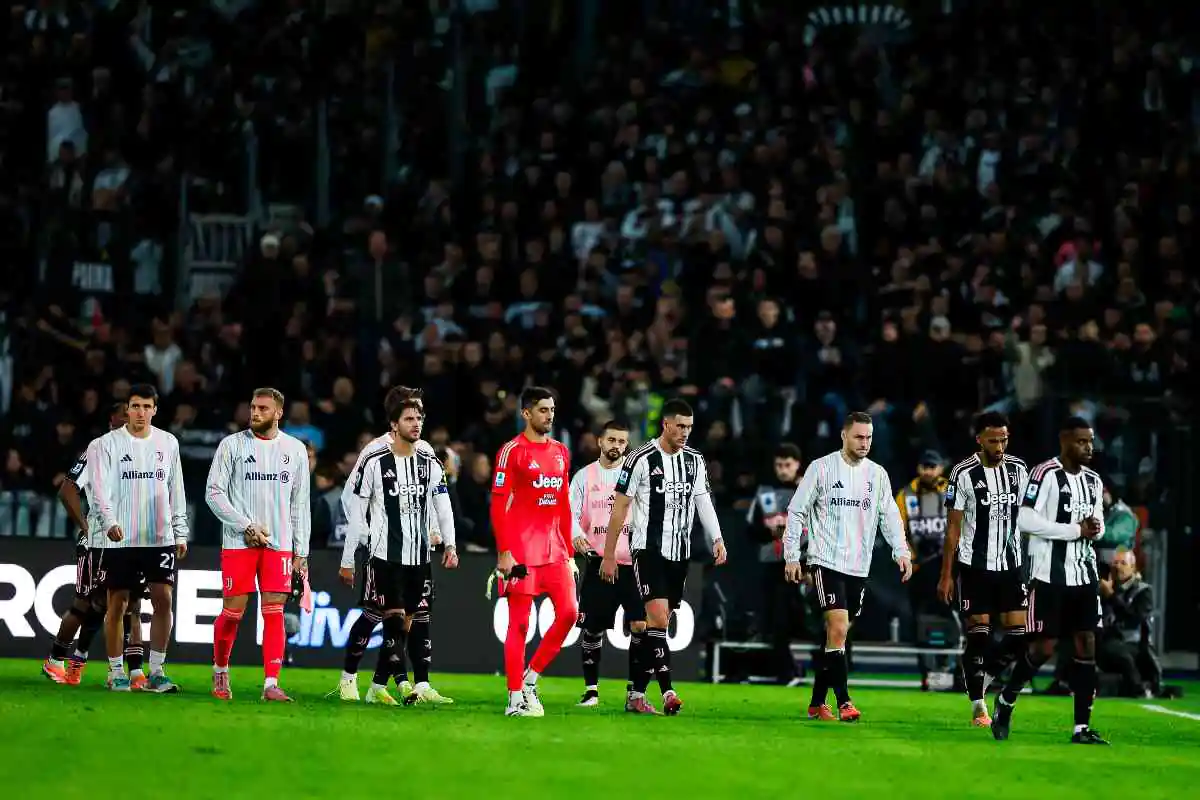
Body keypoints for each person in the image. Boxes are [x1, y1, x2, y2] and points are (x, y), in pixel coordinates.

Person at [601, 398, 728, 716]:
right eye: (680, 426)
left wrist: (717, 538)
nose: (685, 432)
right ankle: (669, 691)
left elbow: (703, 502)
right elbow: (620, 507)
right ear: (666, 424)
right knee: (656, 619)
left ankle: (636, 696)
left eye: (690, 427)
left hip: (680, 553)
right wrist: (608, 554)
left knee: (658, 624)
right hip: (648, 550)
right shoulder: (640, 458)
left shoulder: (695, 461)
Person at [782, 411, 912, 722]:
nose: (864, 442)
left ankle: (816, 703)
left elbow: (890, 516)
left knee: (836, 636)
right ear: (844, 435)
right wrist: (791, 555)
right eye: (859, 436)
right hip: (825, 561)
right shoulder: (821, 468)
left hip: (859, 566)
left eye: (868, 437)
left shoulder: (877, 475)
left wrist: (901, 551)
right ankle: (844, 702)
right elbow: (796, 511)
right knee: (838, 628)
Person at [990, 416, 1108, 745]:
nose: (1089, 447)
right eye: (1082, 441)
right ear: (1065, 441)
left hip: (1084, 574)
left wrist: (1097, 527)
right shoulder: (1045, 474)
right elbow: (1025, 518)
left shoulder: (1094, 481)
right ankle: (1007, 699)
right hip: (1048, 574)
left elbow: (1098, 522)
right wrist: (1074, 530)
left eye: (1091, 441)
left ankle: (1081, 728)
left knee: (1087, 646)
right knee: (1043, 648)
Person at [332, 386, 450, 704]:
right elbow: (350, 497)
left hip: (416, 551)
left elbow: (433, 498)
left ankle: (398, 684)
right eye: (411, 413)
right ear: (395, 418)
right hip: (383, 550)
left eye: (420, 413)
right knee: (375, 615)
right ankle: (350, 679)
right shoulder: (374, 452)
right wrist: (368, 536)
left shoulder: (423, 450)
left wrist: (435, 531)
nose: (418, 419)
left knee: (411, 618)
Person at [204, 387, 312, 702]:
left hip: (279, 544)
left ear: (279, 412)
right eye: (253, 407)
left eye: (263, 408)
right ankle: (220, 669)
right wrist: (245, 525)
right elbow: (213, 493)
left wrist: (301, 551)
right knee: (233, 613)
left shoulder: (295, 449)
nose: (255, 413)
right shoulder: (231, 446)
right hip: (239, 542)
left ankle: (270, 684)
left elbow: (299, 503)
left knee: (275, 612)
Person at [87, 384, 189, 692]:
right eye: (135, 406)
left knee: (163, 599)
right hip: (121, 537)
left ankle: (157, 671)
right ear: (126, 409)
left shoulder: (168, 443)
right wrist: (109, 522)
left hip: (159, 536)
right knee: (117, 604)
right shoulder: (104, 445)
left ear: (155, 410)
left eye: (146, 406)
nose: (140, 412)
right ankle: (116, 671)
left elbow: (176, 489)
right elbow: (98, 490)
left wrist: (180, 530)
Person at [935, 412, 1031, 726]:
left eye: (1004, 439)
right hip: (974, 566)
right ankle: (978, 705)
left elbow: (1030, 516)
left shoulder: (1019, 470)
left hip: (1011, 565)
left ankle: (984, 676)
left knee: (1020, 636)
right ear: (979, 439)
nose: (1000, 445)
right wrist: (946, 576)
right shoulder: (962, 473)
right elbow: (952, 529)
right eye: (993, 440)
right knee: (979, 635)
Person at [42, 403, 142, 686]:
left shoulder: (143, 450)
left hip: (132, 541)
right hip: (98, 541)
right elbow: (67, 489)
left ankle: (134, 672)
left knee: (131, 604)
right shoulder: (98, 450)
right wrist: (86, 528)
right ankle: (56, 661)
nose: (132, 417)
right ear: (112, 419)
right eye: (126, 413)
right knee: (88, 603)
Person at [490, 386, 576, 717]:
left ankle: (531, 678)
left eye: (552, 409)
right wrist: (504, 552)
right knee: (520, 626)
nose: (549, 415)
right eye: (542, 410)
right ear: (526, 413)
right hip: (522, 550)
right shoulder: (511, 451)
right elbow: (498, 505)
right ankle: (514, 698)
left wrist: (569, 552)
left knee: (569, 613)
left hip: (554, 550)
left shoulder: (561, 452)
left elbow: (563, 504)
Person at [569, 419, 641, 706]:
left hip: (632, 562)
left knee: (639, 625)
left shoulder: (636, 476)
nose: (616, 446)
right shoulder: (584, 477)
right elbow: (569, 513)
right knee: (593, 628)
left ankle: (634, 690)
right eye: (611, 440)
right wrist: (576, 536)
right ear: (600, 441)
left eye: (622, 442)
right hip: (598, 561)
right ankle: (591, 690)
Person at [746, 443, 804, 685]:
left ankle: (791, 670)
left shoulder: (808, 490)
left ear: (797, 465)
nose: (783, 470)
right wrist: (770, 533)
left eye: (787, 465)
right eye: (779, 465)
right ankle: (786, 671)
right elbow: (750, 529)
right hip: (772, 565)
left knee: (794, 619)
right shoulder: (765, 492)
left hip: (804, 567)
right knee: (774, 621)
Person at [894, 449, 952, 690]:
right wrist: (912, 558)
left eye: (933, 466)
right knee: (921, 621)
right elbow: (897, 531)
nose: (928, 471)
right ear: (918, 468)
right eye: (924, 466)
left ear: (940, 468)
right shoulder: (906, 495)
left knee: (949, 620)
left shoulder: (952, 490)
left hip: (946, 568)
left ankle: (947, 669)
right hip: (920, 568)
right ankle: (927, 674)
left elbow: (964, 524)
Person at [1098, 549, 1160, 698]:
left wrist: (1111, 597)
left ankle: (1138, 687)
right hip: (1106, 641)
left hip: (1134, 644)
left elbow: (1134, 619)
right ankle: (1063, 682)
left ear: (1133, 567)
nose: (1118, 567)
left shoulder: (1143, 591)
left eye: (1123, 563)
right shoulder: (1106, 588)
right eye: (1115, 563)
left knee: (1121, 652)